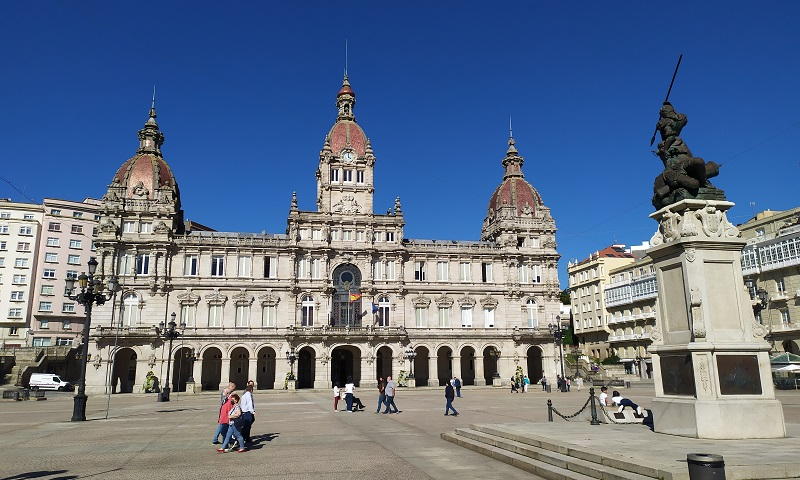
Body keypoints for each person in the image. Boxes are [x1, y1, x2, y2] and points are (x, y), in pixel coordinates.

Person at [240, 380, 256, 446]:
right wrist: (252, 411)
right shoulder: (248, 394)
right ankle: (244, 438)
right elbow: (249, 403)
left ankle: (246, 437)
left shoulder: (245, 394)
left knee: (248, 424)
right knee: (247, 426)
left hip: (244, 411)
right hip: (247, 412)